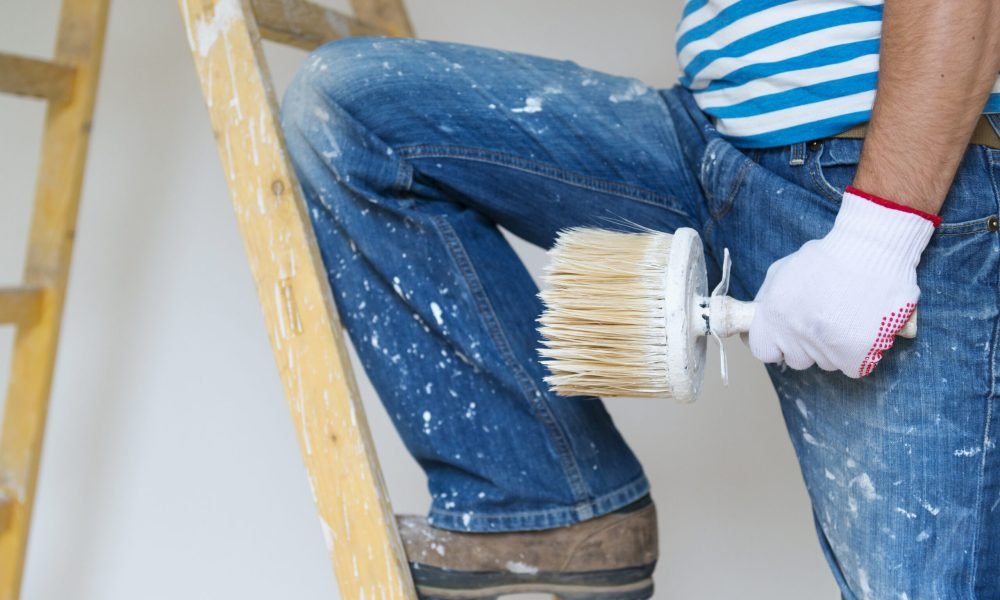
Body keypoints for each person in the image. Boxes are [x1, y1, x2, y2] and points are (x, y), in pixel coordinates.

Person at [279, 0, 1000, 597]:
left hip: (880, 170)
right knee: (355, 109)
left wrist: (877, 240)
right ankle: (545, 505)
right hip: (707, 136)